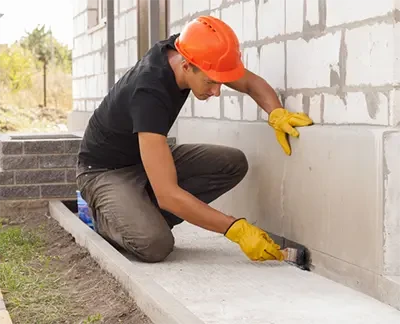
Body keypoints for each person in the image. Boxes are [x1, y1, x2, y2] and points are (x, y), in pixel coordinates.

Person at [76, 16, 313, 263]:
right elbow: (167, 195)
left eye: (220, 82)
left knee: (231, 163)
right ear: (186, 65)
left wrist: (276, 112)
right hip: (104, 172)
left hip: (141, 161)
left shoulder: (192, 51)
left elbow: (250, 83)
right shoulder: (149, 94)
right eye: (211, 82)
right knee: (154, 244)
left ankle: (142, 214)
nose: (216, 91)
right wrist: (236, 229)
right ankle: (108, 218)